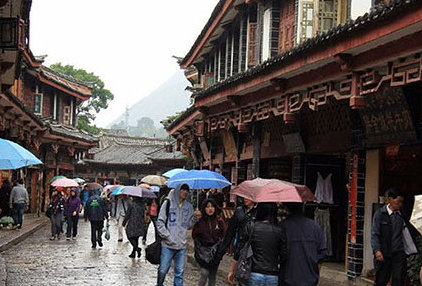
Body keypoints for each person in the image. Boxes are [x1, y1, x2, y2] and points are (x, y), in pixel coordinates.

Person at [371, 188, 419, 286]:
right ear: (390, 200)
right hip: (384, 253)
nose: (400, 204)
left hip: (399, 253)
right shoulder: (380, 214)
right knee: (381, 280)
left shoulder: (402, 215)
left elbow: (410, 231)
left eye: (402, 202)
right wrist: (377, 250)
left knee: (399, 280)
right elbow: (375, 234)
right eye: (398, 202)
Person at [156, 184, 201, 286]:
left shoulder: (189, 206)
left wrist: (194, 217)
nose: (185, 192)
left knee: (179, 273)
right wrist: (167, 236)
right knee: (163, 270)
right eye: (182, 190)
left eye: (186, 190)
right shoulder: (167, 204)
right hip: (168, 245)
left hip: (181, 246)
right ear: (177, 190)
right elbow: (160, 222)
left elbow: (188, 225)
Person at [232, 202, 287, 286]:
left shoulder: (251, 226)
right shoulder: (280, 231)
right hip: (273, 275)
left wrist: (232, 269)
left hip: (254, 272)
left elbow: (240, 248)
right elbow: (284, 255)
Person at [281, 202, 326, 286]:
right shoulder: (315, 226)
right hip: (310, 278)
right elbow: (322, 253)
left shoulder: (283, 226)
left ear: (287, 209)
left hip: (288, 278)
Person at [215, 197, 256, 281]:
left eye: (248, 196)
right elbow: (230, 233)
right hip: (241, 249)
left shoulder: (259, 211)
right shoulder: (239, 211)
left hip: (255, 249)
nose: (245, 198)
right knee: (240, 276)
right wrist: (221, 252)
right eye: (244, 196)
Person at [192, 198, 227, 286]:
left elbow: (224, 235)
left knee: (212, 276)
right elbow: (194, 235)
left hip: (215, 253)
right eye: (207, 207)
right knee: (204, 273)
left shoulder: (219, 221)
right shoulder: (199, 221)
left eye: (212, 206)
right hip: (203, 252)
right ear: (204, 209)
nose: (210, 209)